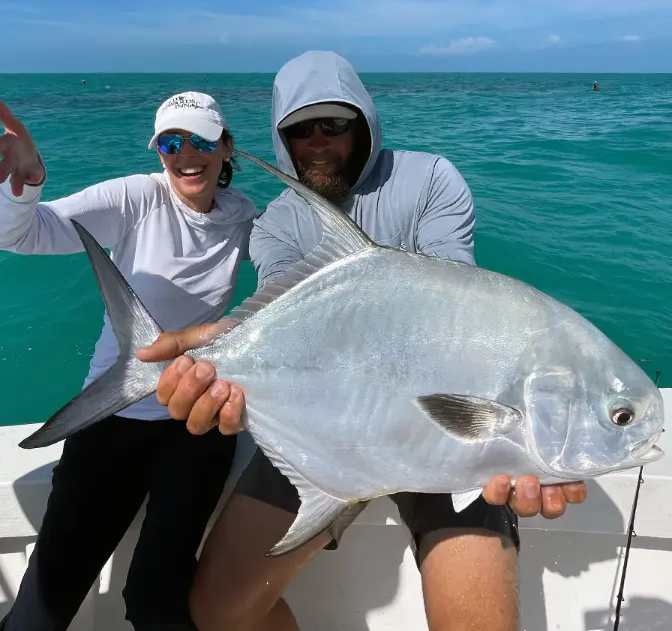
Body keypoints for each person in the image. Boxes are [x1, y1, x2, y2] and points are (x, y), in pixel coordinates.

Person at [138, 52, 588, 631]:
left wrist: (528, 439)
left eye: (336, 125)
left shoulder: (428, 179)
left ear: (364, 124)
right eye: (301, 130)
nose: (319, 142)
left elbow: (456, 307)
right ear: (281, 138)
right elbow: (282, 324)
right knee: (219, 611)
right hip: (326, 433)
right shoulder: (277, 222)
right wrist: (228, 355)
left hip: (446, 432)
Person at [0, 91, 257, 631]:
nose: (187, 154)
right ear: (158, 150)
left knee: (157, 600)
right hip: (112, 416)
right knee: (43, 604)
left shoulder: (243, 216)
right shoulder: (136, 198)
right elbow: (23, 234)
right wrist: (25, 186)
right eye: (171, 142)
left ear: (228, 147)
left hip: (197, 422)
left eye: (204, 140)